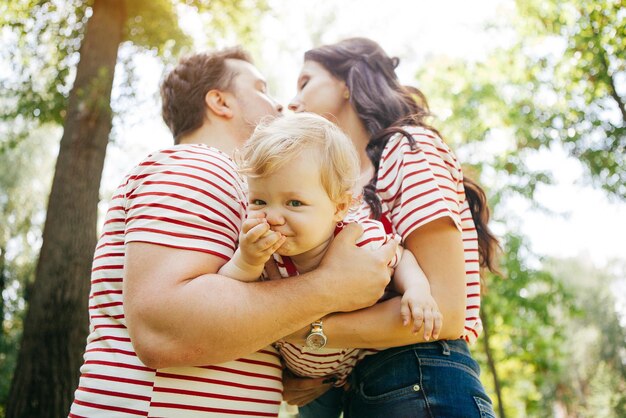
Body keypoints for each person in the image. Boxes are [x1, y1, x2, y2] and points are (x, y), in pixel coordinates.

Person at [68, 47, 398, 418]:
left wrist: (293, 368)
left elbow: (237, 315)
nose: (279, 105)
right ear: (220, 101)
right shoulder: (197, 164)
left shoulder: (243, 194)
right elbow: (164, 331)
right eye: (261, 88)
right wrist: (330, 287)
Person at [284, 37, 501, 417]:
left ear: (346, 83)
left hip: (421, 376)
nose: (292, 101)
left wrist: (300, 330)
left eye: (305, 82)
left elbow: (446, 312)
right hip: (366, 388)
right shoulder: (345, 185)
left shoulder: (407, 149)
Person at [219, 113, 442, 397]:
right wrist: (246, 260)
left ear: (339, 207)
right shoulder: (264, 254)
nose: (273, 216)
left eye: (295, 203)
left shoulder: (358, 242)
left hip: (350, 373)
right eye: (260, 201)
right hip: (302, 384)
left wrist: (417, 289)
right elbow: (229, 295)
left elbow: (400, 257)